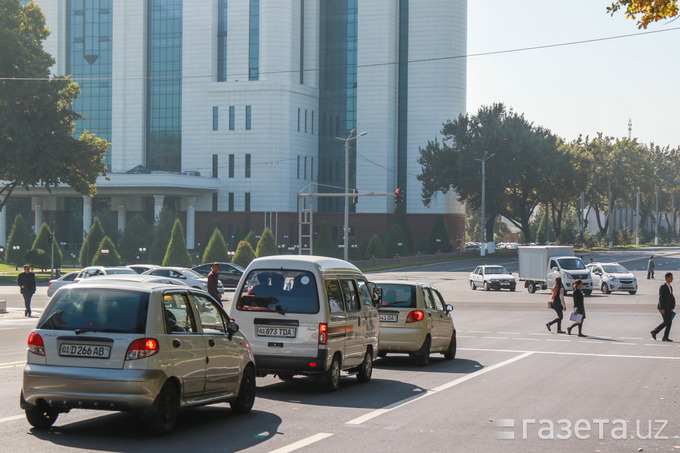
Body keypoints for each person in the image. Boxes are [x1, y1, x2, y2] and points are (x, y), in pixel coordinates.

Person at [651, 272, 675, 342]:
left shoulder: (670, 286)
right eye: (671, 277)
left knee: (669, 322)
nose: (672, 279)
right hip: (663, 308)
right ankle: (654, 331)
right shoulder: (663, 287)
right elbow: (661, 298)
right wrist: (662, 308)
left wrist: (671, 308)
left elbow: (670, 298)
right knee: (666, 321)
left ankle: (665, 337)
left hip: (668, 308)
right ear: (666, 278)